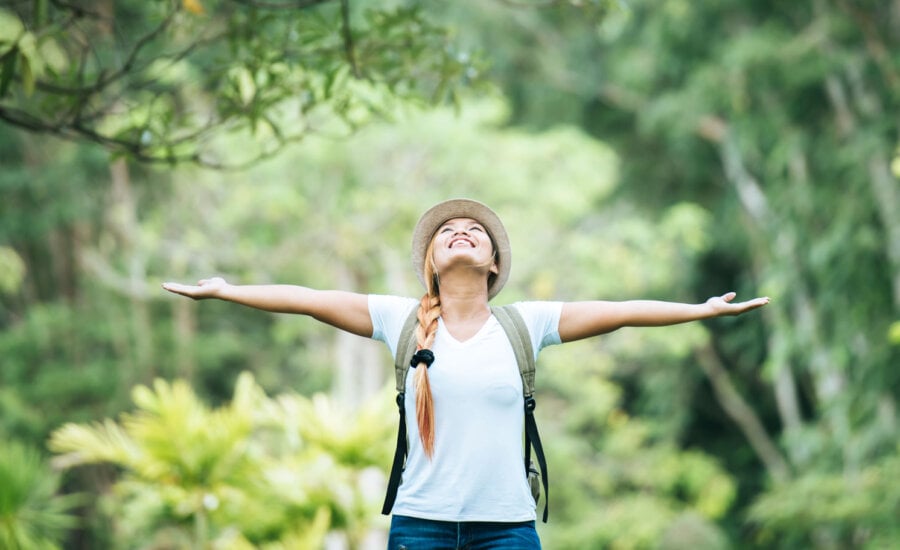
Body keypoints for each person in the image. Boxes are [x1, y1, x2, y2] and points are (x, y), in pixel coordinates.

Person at [162, 198, 770, 549]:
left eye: (474, 232)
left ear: (493, 262)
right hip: (418, 527)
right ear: (432, 261)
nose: (461, 234)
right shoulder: (397, 319)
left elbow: (619, 313)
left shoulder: (524, 326)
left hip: (506, 530)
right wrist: (228, 291)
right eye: (448, 233)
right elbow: (307, 297)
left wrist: (699, 310)